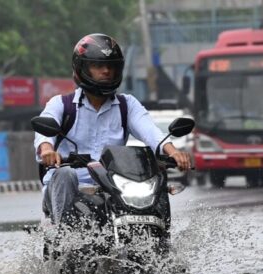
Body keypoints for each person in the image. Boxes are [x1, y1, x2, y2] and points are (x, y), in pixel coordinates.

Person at [34, 33, 192, 225]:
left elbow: (149, 130)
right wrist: (47, 150)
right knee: (66, 174)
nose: (106, 71)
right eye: (98, 66)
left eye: (111, 66)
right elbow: (45, 129)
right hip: (71, 189)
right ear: (81, 68)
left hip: (114, 188)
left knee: (156, 182)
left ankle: (160, 246)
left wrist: (173, 152)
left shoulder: (127, 105)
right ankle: (65, 241)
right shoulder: (61, 104)